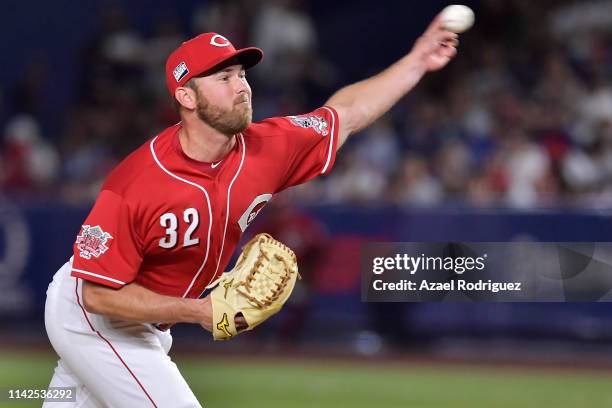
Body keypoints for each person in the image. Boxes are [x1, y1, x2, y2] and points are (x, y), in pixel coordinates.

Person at [44, 14, 458, 408]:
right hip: (93, 315)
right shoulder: (135, 184)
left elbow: (346, 115)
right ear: (186, 96)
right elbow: (98, 292)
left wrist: (418, 60)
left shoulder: (267, 147)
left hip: (143, 324)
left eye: (242, 75)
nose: (242, 86)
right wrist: (199, 311)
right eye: (224, 78)